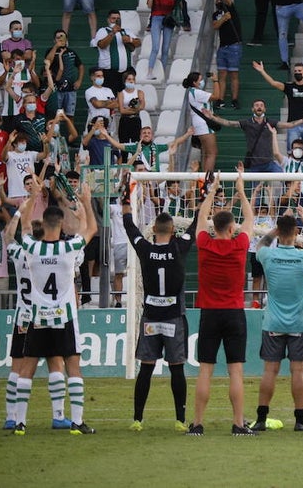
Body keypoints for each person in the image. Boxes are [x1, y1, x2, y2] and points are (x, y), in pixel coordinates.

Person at [13, 175, 97, 436]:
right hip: (65, 317)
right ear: (60, 223)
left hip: (38, 317)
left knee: (27, 368)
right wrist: (86, 203)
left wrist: (31, 198)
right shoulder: (69, 247)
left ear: (45, 224)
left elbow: (24, 228)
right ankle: (77, 422)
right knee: (73, 366)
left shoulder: (31, 248)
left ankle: (19, 423)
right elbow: (91, 230)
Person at [189, 169, 255, 436]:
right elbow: (249, 218)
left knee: (205, 370)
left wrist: (212, 190)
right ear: (231, 228)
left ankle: (197, 424)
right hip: (234, 313)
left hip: (209, 313)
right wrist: (240, 190)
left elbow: (201, 218)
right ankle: (239, 424)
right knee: (235, 372)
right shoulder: (239, 245)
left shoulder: (204, 243)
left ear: (213, 229)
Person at [124, 192, 194, 433]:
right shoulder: (179, 248)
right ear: (173, 229)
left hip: (151, 318)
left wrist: (125, 203)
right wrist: (206, 196)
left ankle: (137, 419)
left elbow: (130, 228)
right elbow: (195, 227)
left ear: (153, 228)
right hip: (173, 317)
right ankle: (180, 420)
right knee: (177, 368)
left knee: (146, 368)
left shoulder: (144, 249)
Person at [250, 215, 303, 433]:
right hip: (299, 322)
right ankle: (300, 420)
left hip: (273, 322)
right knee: (298, 371)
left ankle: (261, 418)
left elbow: (260, 244)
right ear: (296, 232)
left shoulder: (268, 255)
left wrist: (274, 232)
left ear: (279, 231)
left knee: (269, 371)